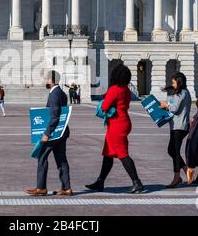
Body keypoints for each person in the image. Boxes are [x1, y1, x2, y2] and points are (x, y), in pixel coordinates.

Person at [86, 64, 144, 194]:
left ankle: (137, 182)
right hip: (124, 121)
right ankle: (100, 181)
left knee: (122, 154)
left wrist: (105, 99)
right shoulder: (126, 90)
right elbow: (125, 104)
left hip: (116, 124)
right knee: (108, 153)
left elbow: (105, 107)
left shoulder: (114, 89)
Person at [26, 70, 72, 196]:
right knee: (61, 159)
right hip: (62, 132)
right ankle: (66, 187)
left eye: (47, 79)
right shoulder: (61, 93)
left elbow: (55, 116)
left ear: (52, 80)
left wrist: (47, 133)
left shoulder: (54, 94)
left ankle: (41, 187)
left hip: (54, 133)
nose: (46, 81)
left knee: (42, 156)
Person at [160, 72, 192, 188]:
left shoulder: (182, 93)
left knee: (175, 151)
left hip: (179, 126)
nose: (172, 84)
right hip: (176, 126)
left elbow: (174, 108)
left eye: (173, 82)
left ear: (179, 82)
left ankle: (176, 177)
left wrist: (165, 105)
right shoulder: (182, 92)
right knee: (172, 150)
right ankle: (187, 171)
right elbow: (173, 104)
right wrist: (167, 104)